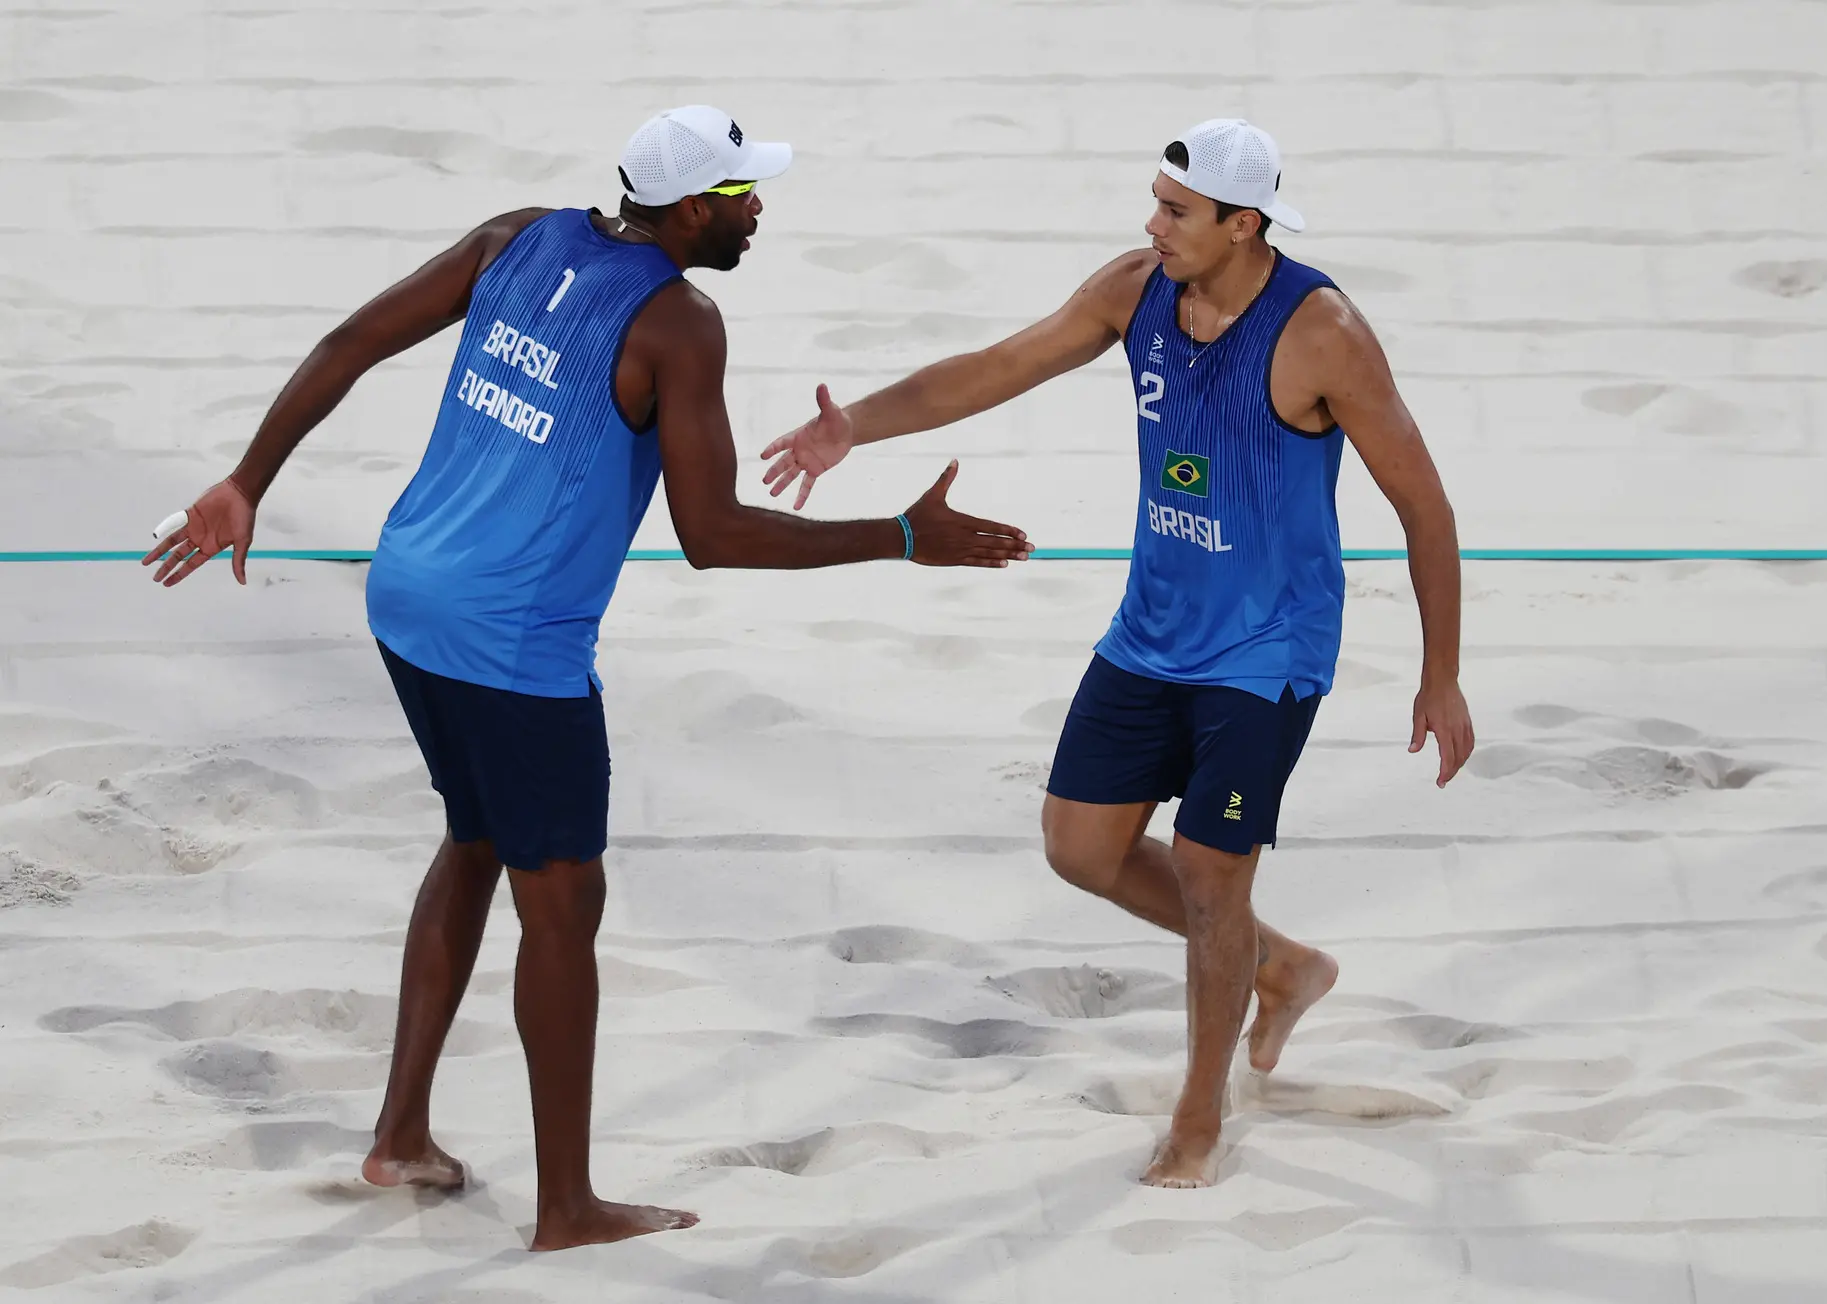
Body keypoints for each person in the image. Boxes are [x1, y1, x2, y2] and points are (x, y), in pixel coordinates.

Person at [142, 105, 1032, 1249]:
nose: (757, 209)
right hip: (514, 643)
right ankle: (566, 1206)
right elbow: (711, 534)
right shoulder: (678, 322)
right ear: (689, 207)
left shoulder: (514, 236)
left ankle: (400, 1133)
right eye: (740, 194)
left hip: (406, 594)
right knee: (562, 906)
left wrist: (247, 479)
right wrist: (902, 537)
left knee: (474, 835)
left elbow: (351, 341)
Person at [760, 118, 1474, 1188]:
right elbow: (998, 367)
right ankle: (1281, 966)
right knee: (1080, 849)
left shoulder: (1320, 332)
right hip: (1151, 630)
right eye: (1154, 202)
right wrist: (852, 426)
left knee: (1208, 876)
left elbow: (1424, 505)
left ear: (1244, 223)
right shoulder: (1135, 289)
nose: (1153, 225)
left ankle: (1199, 1116)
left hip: (1266, 649)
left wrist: (1439, 672)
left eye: (1176, 211)